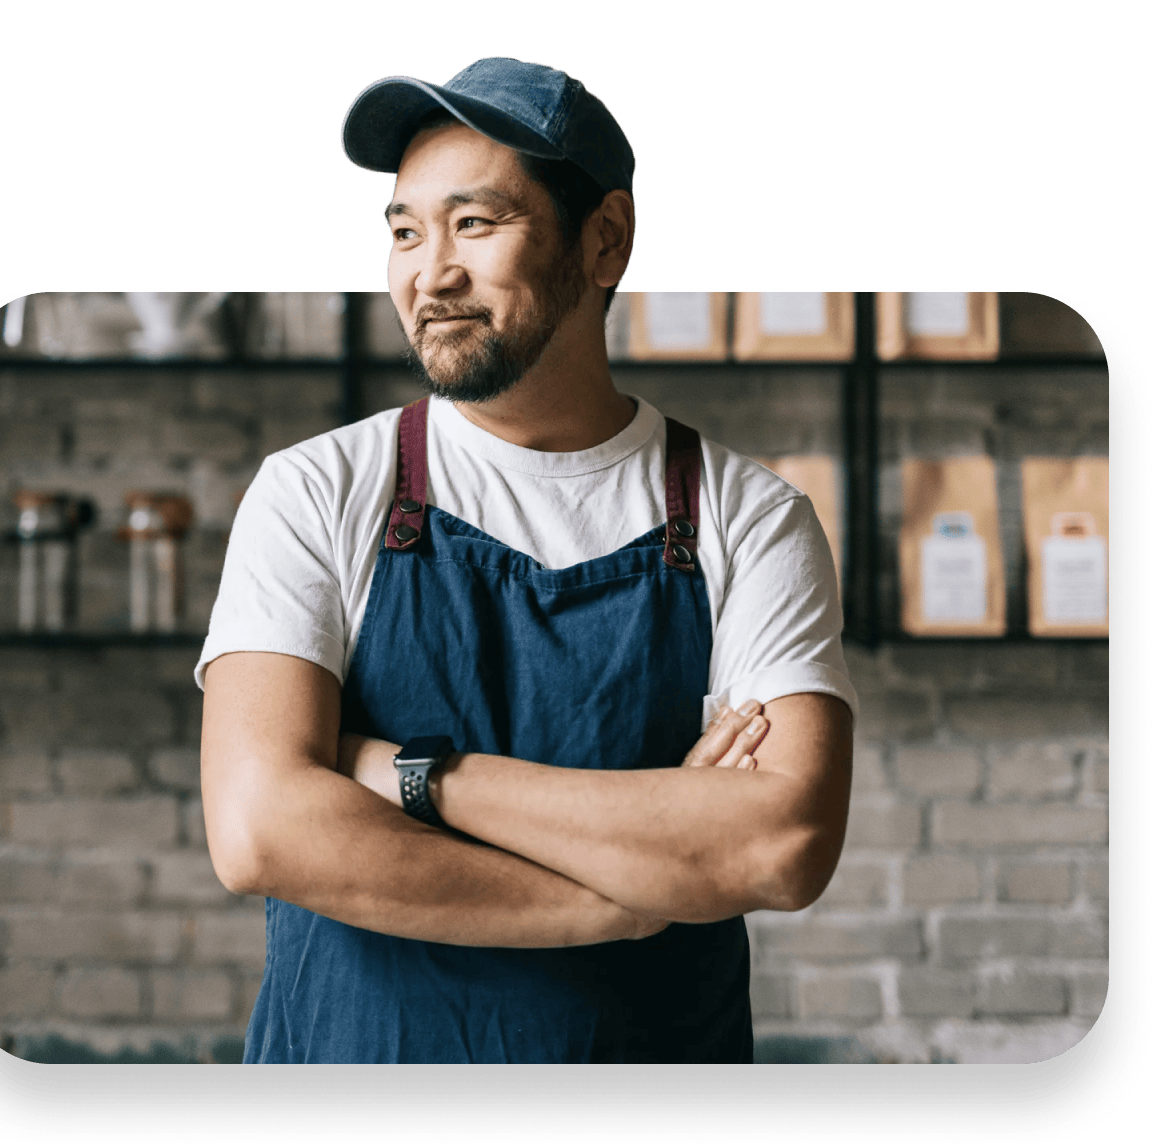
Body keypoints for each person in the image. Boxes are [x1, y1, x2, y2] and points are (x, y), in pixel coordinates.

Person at [196, 55, 857, 1064]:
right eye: (406, 232)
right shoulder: (316, 491)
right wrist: (620, 897)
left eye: (475, 224)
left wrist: (410, 776)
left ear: (605, 241)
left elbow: (778, 844)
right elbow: (259, 829)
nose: (431, 271)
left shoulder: (749, 518)